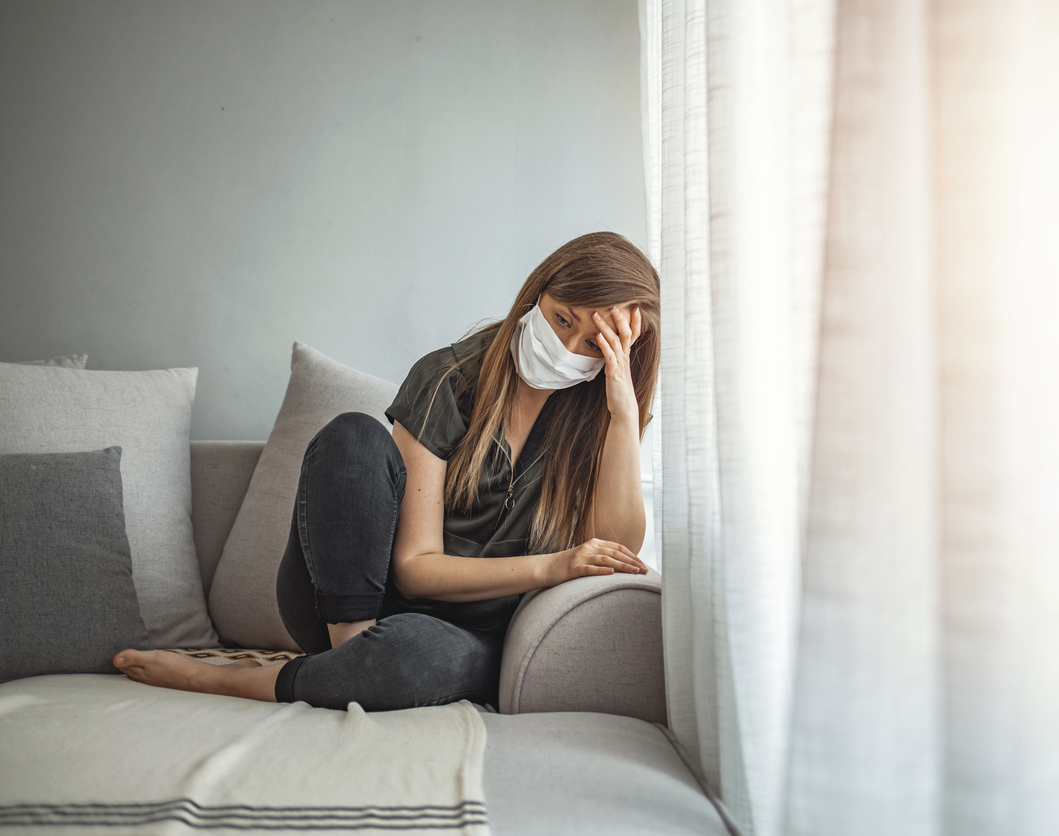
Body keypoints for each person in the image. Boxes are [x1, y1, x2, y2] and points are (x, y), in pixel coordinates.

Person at [112, 231, 659, 711]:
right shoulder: (449, 378)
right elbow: (415, 568)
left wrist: (622, 412)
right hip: (349, 603)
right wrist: (549, 566)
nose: (565, 347)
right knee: (352, 435)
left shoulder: (602, 417)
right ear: (538, 294)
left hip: (464, 637)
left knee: (410, 657)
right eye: (561, 318)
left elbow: (614, 548)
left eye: (592, 341)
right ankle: (350, 662)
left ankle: (262, 680)